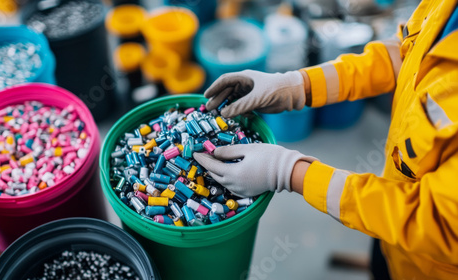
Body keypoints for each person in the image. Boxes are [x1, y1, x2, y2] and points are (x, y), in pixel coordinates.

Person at [193, 0, 458, 279]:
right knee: (382, 262)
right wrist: (299, 85)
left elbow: (436, 221)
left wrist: (291, 173)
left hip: (428, 267)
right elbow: (404, 54)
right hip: (391, 235)